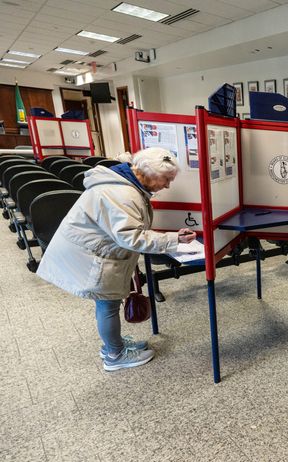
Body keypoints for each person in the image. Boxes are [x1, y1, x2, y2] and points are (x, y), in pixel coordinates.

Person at [37, 147, 197, 371]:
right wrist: (172, 240)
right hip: (93, 256)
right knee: (107, 304)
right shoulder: (122, 194)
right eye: (166, 179)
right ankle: (115, 355)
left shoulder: (124, 184)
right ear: (147, 172)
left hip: (94, 251)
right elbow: (132, 237)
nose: (167, 186)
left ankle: (115, 344)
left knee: (105, 303)